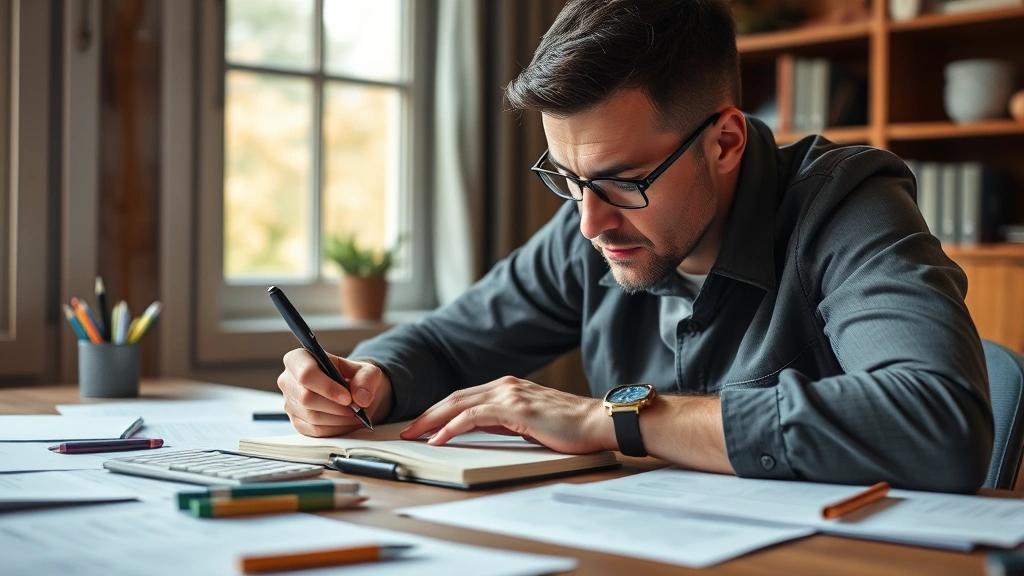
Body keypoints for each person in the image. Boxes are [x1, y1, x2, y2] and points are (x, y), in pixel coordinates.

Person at [277, 0, 993, 492]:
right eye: (567, 177)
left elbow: (937, 422)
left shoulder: (845, 203)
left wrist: (613, 418)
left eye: (622, 181)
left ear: (726, 141)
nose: (589, 224)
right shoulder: (596, 217)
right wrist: (370, 379)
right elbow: (448, 342)